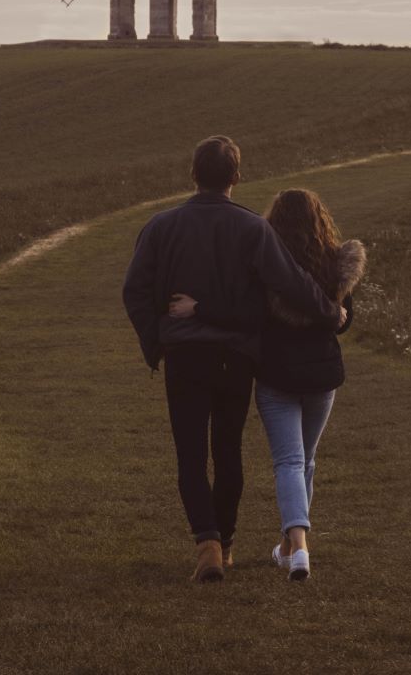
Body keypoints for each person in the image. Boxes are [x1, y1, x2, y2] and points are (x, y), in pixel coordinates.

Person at [122, 137, 345, 583]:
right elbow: (290, 281)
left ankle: (205, 542)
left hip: (185, 355)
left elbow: (134, 291)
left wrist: (157, 343)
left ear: (193, 175)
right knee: (227, 452)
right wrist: (330, 311)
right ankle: (224, 544)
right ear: (236, 179)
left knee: (190, 453)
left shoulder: (161, 226)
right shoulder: (252, 229)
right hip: (236, 358)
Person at [170, 188, 366, 581]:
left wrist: (199, 308)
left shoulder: (265, 266)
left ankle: (299, 550)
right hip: (323, 377)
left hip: (277, 376)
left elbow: (245, 314)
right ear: (321, 220)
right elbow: (345, 322)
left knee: (290, 462)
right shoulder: (337, 265)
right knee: (305, 462)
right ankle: (290, 547)